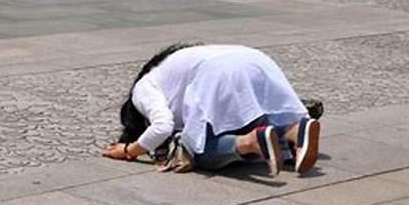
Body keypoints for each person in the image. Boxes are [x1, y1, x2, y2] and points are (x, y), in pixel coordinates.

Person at [104, 44, 321, 176]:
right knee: (251, 116)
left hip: (217, 73)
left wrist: (128, 151)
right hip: (255, 59)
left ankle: (251, 141)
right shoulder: (172, 65)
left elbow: (162, 126)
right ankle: (293, 131)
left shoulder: (142, 90)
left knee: (201, 151)